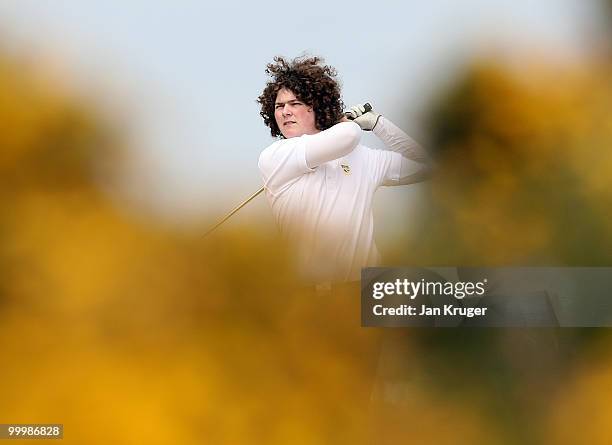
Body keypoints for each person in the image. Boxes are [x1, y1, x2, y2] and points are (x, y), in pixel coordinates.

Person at [257, 55, 432, 285]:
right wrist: (344, 123)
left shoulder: (364, 157)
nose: (285, 112)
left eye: (295, 103)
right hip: (311, 296)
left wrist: (378, 124)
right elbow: (348, 135)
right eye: (279, 106)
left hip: (366, 290)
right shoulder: (275, 156)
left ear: (315, 107)